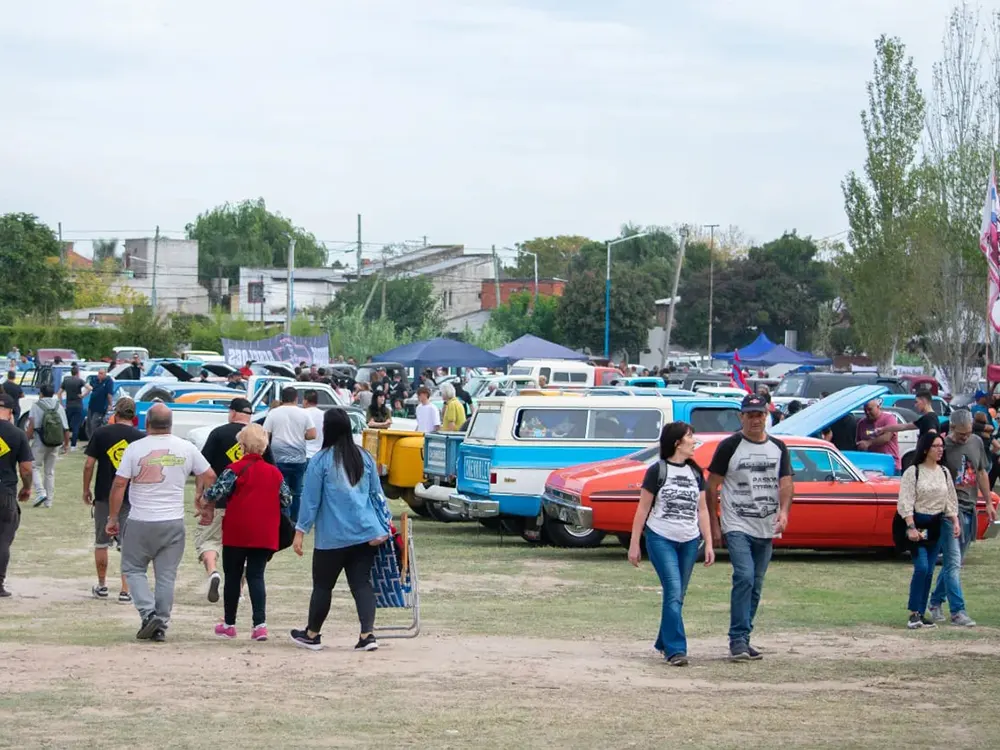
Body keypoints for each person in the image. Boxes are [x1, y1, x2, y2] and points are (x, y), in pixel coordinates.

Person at [107, 404, 215, 642]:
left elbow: (119, 484)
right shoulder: (186, 447)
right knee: (166, 575)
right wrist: (205, 502)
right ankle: (161, 623)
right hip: (172, 520)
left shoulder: (135, 448)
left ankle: (148, 614)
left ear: (146, 423)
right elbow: (210, 476)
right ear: (171, 424)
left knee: (133, 569)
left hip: (140, 520)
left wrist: (113, 517)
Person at [290, 408, 390, 652]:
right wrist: (384, 526)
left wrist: (300, 531)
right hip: (366, 534)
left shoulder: (321, 461)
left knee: (323, 586)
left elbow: (310, 500)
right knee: (361, 584)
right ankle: (367, 635)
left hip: (332, 538)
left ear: (328, 429)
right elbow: (377, 495)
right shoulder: (364, 457)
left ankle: (312, 634)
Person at [706, 394, 793, 662]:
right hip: (737, 522)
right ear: (741, 417)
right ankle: (737, 640)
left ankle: (744, 636)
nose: (756, 419)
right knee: (743, 576)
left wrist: (785, 511)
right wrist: (714, 521)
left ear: (767, 416)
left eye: (760, 414)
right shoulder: (730, 446)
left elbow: (787, 483)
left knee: (756, 583)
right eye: (750, 414)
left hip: (765, 524)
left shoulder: (778, 447)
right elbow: (712, 486)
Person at [627, 422, 715, 666]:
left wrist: (708, 543)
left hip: (689, 540)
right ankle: (676, 649)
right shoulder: (657, 470)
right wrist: (634, 543)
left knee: (677, 595)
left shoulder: (696, 472)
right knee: (674, 591)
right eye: (690, 437)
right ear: (677, 442)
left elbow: (703, 510)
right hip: (661, 537)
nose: (694, 441)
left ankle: (663, 642)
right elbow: (643, 508)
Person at [203, 424, 291, 642]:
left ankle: (229, 624)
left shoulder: (234, 469)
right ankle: (259, 625)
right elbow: (287, 499)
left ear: (241, 446)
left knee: (233, 576)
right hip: (265, 532)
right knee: (256, 576)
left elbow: (216, 492)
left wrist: (203, 497)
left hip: (237, 530)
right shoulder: (275, 473)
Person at [927, 409, 995, 627]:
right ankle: (958, 611)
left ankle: (935, 602)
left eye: (968, 434)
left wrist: (988, 502)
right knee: (954, 563)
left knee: (953, 564)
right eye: (962, 434)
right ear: (952, 428)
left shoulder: (975, 442)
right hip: (949, 513)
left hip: (970, 510)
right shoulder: (941, 449)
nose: (965, 438)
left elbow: (982, 472)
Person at [896, 432, 961, 629]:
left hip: (935, 525)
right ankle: (914, 612)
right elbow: (905, 500)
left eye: (942, 446)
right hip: (916, 522)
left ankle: (921, 613)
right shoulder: (913, 472)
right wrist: (910, 526)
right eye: (935, 446)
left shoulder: (944, 472)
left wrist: (955, 520)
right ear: (925, 449)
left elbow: (950, 498)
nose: (940, 449)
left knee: (930, 570)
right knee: (922, 567)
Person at [83, 397, 143, 602]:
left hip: (103, 494)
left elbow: (89, 464)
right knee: (128, 545)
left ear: (115, 414)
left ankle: (102, 585)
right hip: (130, 496)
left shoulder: (101, 433)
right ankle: (125, 590)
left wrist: (86, 489)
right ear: (133, 416)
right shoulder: (140, 438)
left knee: (101, 542)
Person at [263, 387, 317, 523]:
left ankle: (284, 520)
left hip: (278, 459)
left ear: (282, 398)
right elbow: (312, 434)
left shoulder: (273, 413)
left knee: (281, 492)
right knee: (297, 493)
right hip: (298, 459)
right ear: (296, 398)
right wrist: (300, 436)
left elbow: (265, 435)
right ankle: (295, 520)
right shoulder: (304, 414)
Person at [0, 394, 32, 598]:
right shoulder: (17, 434)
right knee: (3, 538)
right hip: (5, 490)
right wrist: (26, 487)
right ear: (11, 412)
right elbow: (26, 468)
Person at [26, 384, 69, 508]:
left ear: (41, 393)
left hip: (40, 441)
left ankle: (40, 492)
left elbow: (31, 426)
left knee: (34, 467)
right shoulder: (58, 406)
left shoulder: (36, 405)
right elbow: (65, 427)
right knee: (49, 471)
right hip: (55, 442)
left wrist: (26, 441)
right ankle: (49, 501)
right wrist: (66, 444)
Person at [875, 390, 939, 443]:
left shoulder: (929, 418)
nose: (915, 405)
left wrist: (925, 447)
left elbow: (932, 433)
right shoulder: (927, 418)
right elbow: (904, 426)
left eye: (916, 402)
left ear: (924, 401)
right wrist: (883, 429)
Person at [855, 398, 900, 472]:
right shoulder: (862, 423)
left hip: (890, 464)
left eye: (870, 409)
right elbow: (858, 441)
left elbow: (887, 437)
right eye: (865, 410)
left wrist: (869, 443)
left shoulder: (889, 419)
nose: (867, 412)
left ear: (878, 407)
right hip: (870, 466)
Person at [59, 365, 87, 451]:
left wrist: (61, 404)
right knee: (76, 426)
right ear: (78, 373)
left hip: (69, 405)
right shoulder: (79, 381)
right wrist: (82, 395)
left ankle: (64, 443)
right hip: (78, 405)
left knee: (66, 425)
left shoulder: (66, 381)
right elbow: (90, 388)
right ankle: (73, 446)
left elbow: (59, 393)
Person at [83, 368, 115, 441]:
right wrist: (83, 395)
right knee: (88, 426)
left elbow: (109, 394)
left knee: (94, 424)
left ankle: (95, 442)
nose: (99, 375)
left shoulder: (108, 381)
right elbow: (89, 389)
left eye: (101, 373)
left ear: (105, 374)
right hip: (92, 406)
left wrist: (110, 404)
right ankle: (90, 441)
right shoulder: (94, 380)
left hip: (100, 407)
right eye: (99, 373)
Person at [302, 390, 324, 460]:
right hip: (320, 455)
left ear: (305, 401)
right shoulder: (324, 414)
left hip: (305, 454)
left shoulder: (301, 414)